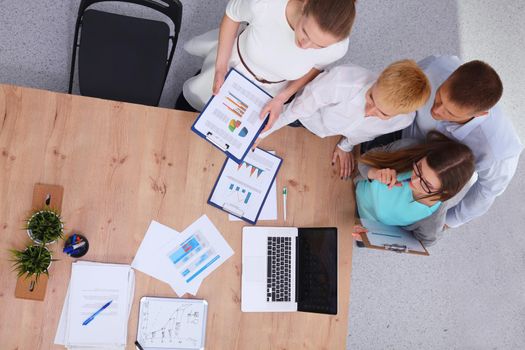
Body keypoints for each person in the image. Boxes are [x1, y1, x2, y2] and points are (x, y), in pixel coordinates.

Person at [386, 55, 523, 229]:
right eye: (439, 97)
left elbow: (486, 191)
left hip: (428, 183)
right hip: (399, 138)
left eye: (450, 113)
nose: (436, 110)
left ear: (479, 115)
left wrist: (447, 222)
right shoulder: (436, 67)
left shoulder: (498, 151)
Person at [178, 0, 356, 128]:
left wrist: (282, 98)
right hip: (234, 64)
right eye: (305, 32)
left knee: (231, 126)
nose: (305, 45)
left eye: (319, 46)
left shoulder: (338, 47)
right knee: (194, 100)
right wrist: (220, 68)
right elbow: (232, 15)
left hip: (271, 90)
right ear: (305, 4)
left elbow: (316, 67)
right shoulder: (265, 4)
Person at [257, 59, 431, 179]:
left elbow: (364, 134)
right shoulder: (342, 81)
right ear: (379, 78)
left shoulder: (403, 120)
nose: (369, 111)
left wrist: (345, 146)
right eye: (371, 97)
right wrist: (261, 134)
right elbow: (296, 109)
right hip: (302, 113)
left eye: (383, 114)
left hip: (324, 130)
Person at [353, 131, 475, 245]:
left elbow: (423, 243)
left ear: (444, 193)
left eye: (426, 184)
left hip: (362, 226)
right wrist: (374, 172)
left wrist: (377, 237)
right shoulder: (408, 148)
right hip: (349, 190)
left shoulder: (431, 221)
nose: (414, 181)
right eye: (419, 168)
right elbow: (365, 159)